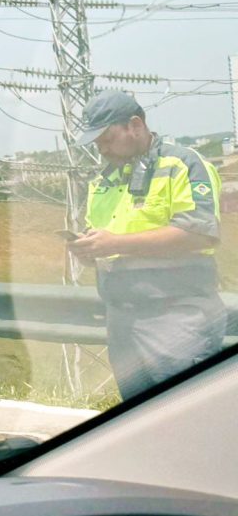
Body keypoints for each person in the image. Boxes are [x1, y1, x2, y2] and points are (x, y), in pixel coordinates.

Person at [68, 90, 224, 400]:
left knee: (183, 417)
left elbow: (200, 233)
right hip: (122, 318)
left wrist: (117, 243)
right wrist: (90, 251)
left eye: (106, 137)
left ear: (135, 125)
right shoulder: (105, 180)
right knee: (139, 419)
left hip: (176, 318)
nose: (101, 146)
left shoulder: (183, 164)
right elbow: (104, 241)